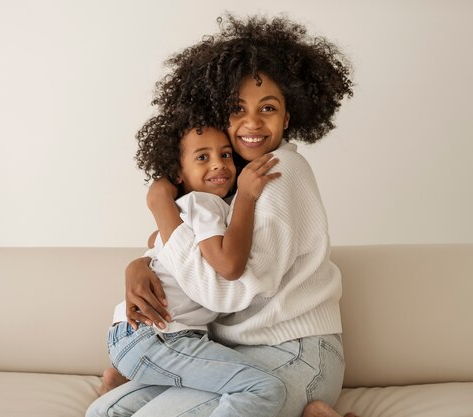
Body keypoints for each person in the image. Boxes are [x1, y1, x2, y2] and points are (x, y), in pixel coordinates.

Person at [88, 14, 357, 417]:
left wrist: (161, 205)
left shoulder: (278, 173)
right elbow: (193, 253)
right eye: (236, 109)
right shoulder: (232, 183)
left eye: (268, 108)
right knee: (105, 413)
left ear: (288, 117)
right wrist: (141, 263)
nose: (251, 122)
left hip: (297, 353)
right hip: (227, 353)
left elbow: (223, 290)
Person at [88, 125, 285, 417]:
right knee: (264, 387)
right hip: (162, 336)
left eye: (225, 154)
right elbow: (229, 265)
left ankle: (115, 395)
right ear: (178, 174)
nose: (218, 163)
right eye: (202, 157)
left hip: (138, 336)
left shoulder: (186, 209)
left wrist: (139, 262)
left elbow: (154, 240)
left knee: (202, 387)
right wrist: (246, 196)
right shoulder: (204, 204)